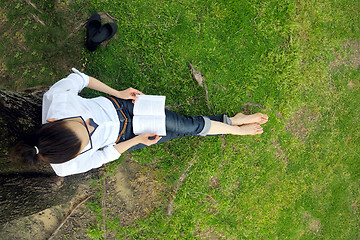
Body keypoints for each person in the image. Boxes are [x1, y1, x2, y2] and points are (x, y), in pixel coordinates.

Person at [12, 68, 268, 177]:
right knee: (180, 130)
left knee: (187, 126)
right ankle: (232, 123)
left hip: (122, 105)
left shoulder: (56, 101)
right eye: (89, 137)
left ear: (55, 121)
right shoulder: (64, 167)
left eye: (84, 123)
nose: (92, 127)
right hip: (125, 137)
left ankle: (234, 127)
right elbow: (103, 156)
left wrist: (119, 93)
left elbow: (81, 79)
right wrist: (137, 140)